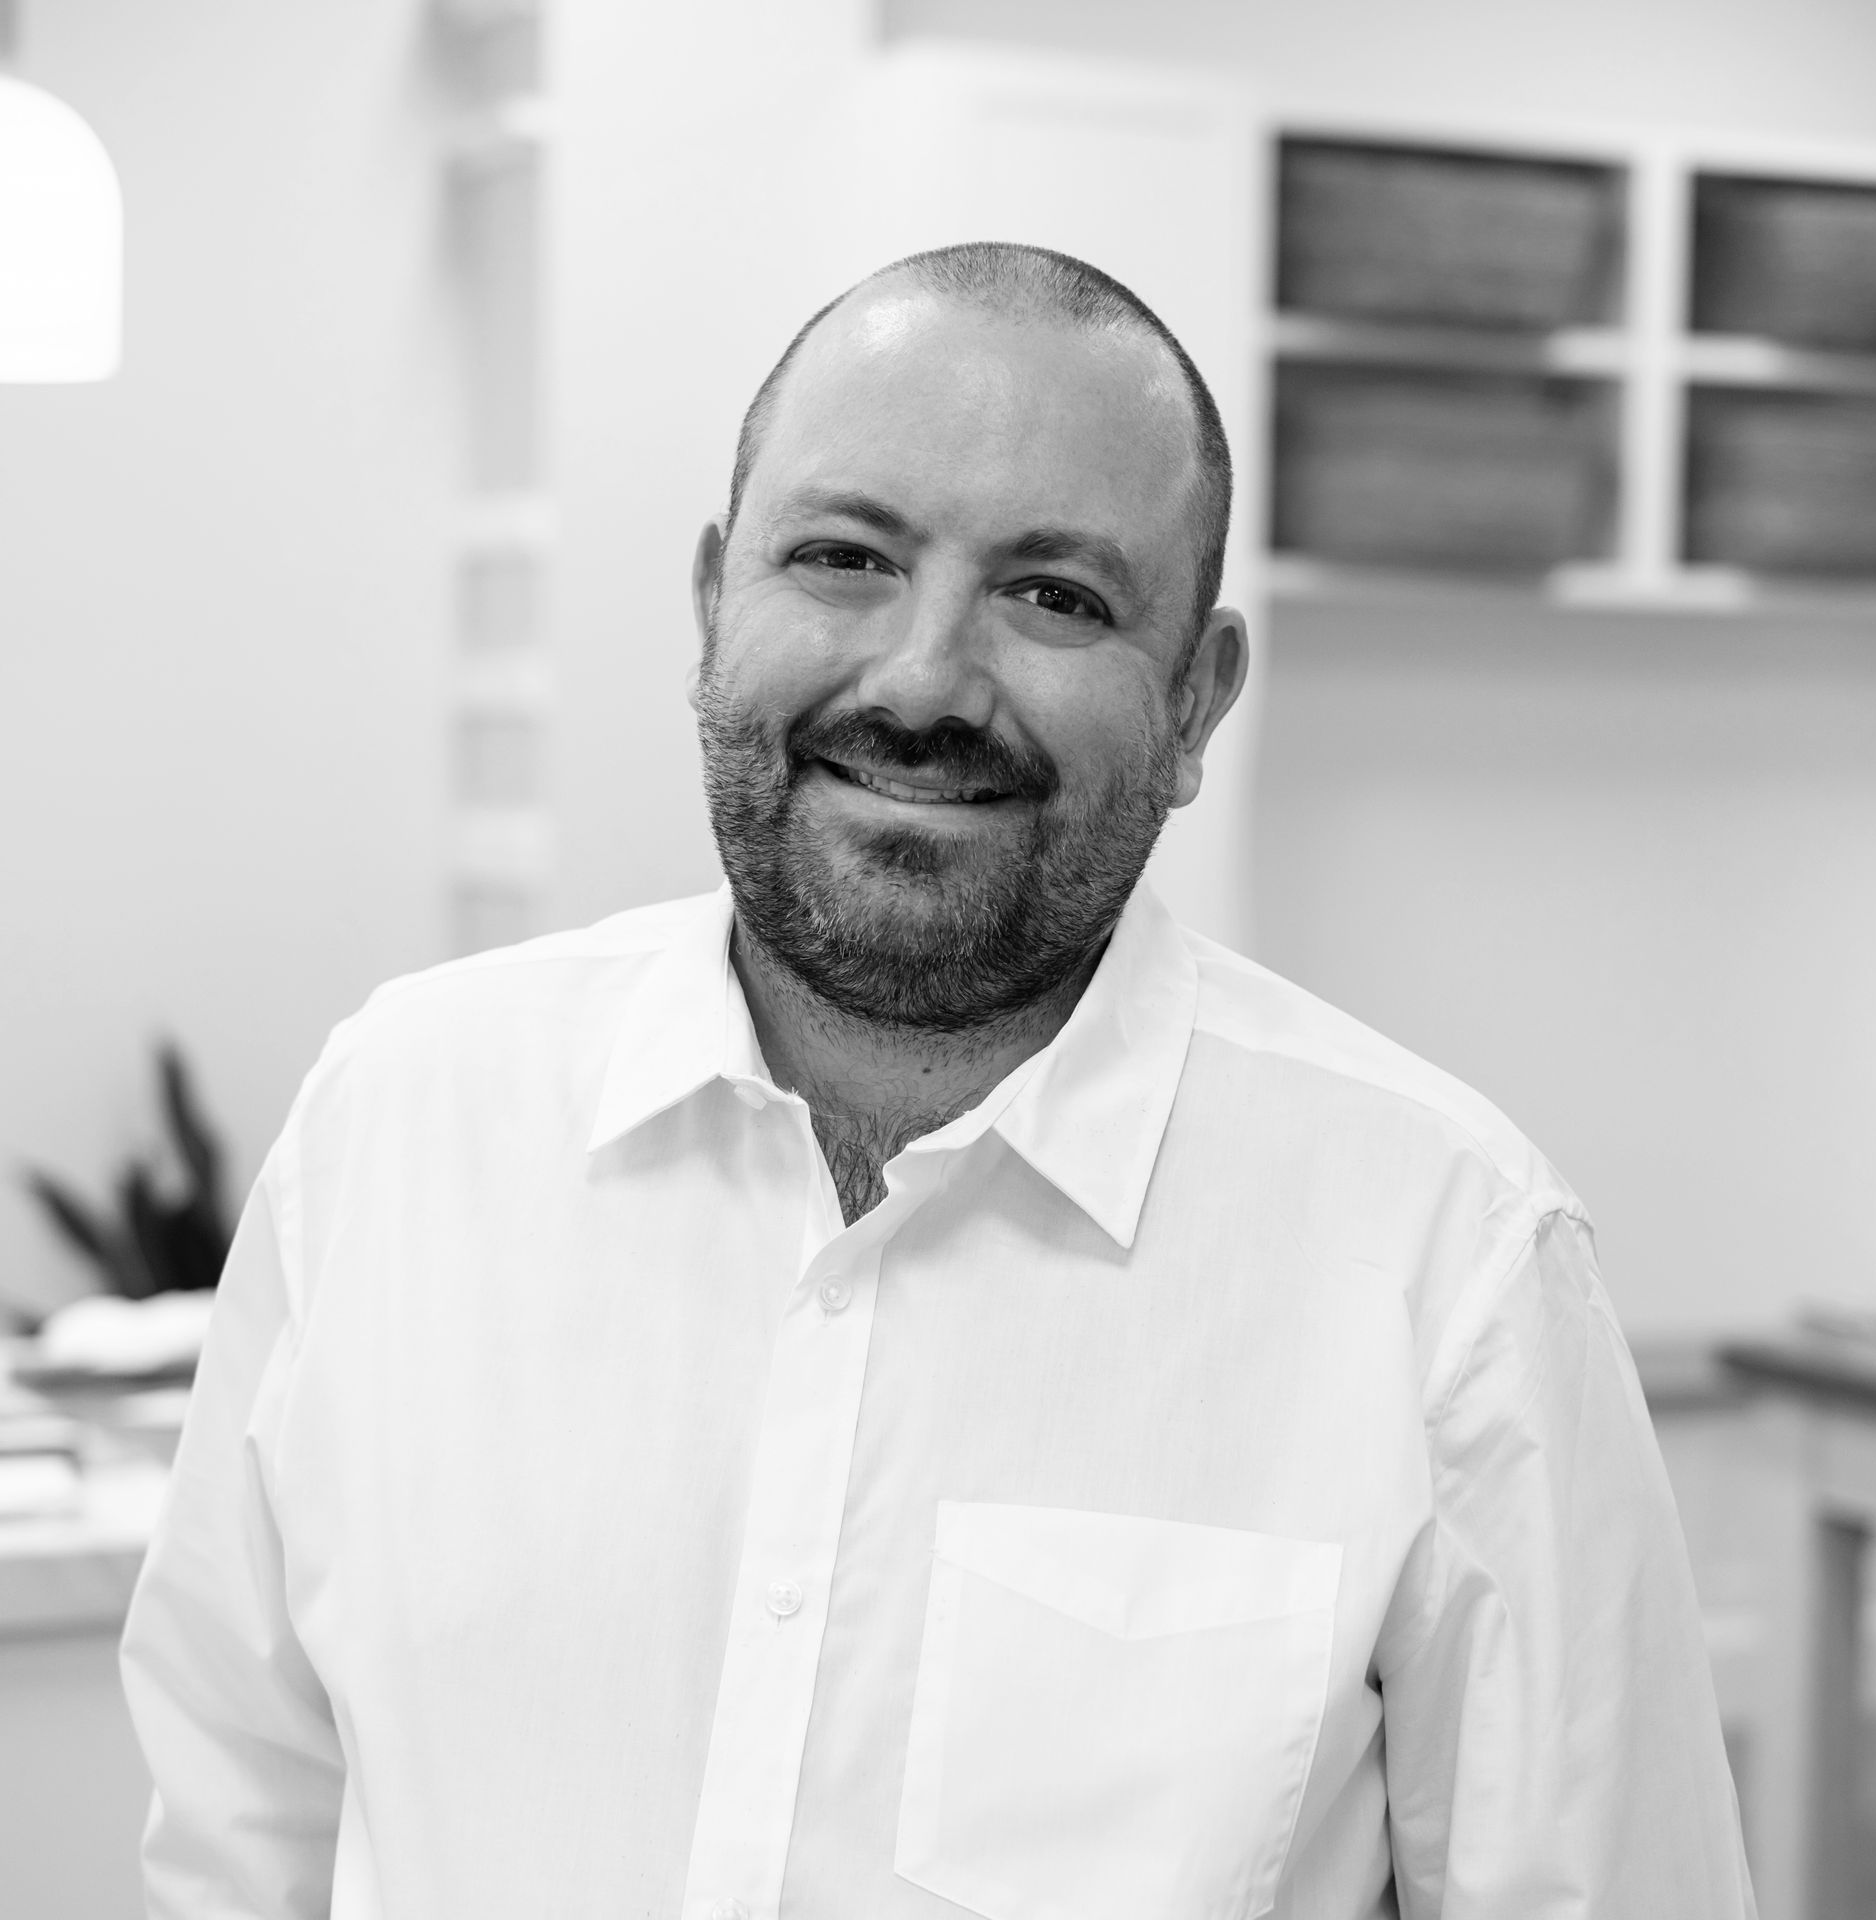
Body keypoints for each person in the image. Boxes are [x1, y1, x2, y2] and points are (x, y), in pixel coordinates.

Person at [121, 242, 1755, 1919]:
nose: (919, 681)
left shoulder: (1450, 1256)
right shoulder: (400, 1118)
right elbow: (240, 1832)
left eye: (1057, 596)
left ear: (1197, 700)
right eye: (841, 557)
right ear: (710, 604)